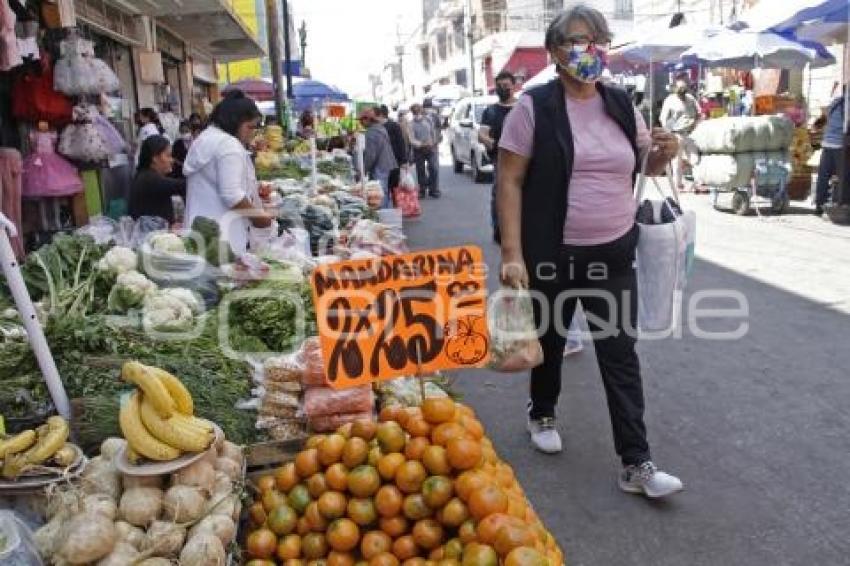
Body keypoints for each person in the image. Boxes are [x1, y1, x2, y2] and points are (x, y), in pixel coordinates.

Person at [496, 4, 683, 498]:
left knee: (620, 353)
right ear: (556, 51)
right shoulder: (533, 107)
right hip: (552, 251)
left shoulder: (621, 104)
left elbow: (648, 168)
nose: (589, 50)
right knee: (551, 343)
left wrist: (664, 151)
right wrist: (512, 251)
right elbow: (510, 181)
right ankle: (542, 411)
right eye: (577, 41)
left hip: (613, 253)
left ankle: (636, 463)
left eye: (596, 40)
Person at [183, 90, 272, 255]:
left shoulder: (206, 138)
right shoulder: (228, 145)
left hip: (201, 233)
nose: (252, 133)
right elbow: (231, 194)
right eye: (250, 127)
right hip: (222, 239)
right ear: (234, 121)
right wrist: (260, 219)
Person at [480, 71, 518, 244]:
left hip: (524, 158)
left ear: (513, 86)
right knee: (500, 194)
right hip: (501, 160)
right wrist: (495, 144)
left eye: (506, 86)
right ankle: (499, 229)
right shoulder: (491, 111)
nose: (503, 89)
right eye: (500, 86)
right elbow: (482, 134)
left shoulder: (523, 108)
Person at [128, 135, 186, 224]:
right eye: (168, 156)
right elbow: (180, 186)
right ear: (155, 158)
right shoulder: (148, 179)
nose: (172, 160)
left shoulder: (145, 175)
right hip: (150, 235)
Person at [659, 74, 699, 190]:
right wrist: (668, 133)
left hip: (690, 134)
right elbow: (663, 118)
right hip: (676, 134)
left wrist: (695, 123)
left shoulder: (691, 99)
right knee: (677, 161)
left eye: (684, 89)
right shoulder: (670, 100)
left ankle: (697, 183)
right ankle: (678, 185)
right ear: (675, 89)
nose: (682, 91)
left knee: (695, 159)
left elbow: (698, 113)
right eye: (680, 89)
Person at [815, 84, 847, 216]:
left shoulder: (835, 101)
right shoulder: (845, 104)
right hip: (839, 144)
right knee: (843, 176)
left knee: (823, 176)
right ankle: (841, 205)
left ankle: (819, 204)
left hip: (827, 143)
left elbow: (824, 118)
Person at [359, 107, 398, 208]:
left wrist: (364, 170)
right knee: (384, 191)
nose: (360, 123)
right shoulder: (380, 128)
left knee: (380, 193)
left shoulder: (371, 132)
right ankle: (386, 212)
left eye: (361, 120)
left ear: (368, 119)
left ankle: (383, 216)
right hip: (386, 164)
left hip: (380, 166)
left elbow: (371, 155)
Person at [376, 104, 410, 194]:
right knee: (385, 187)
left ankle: (395, 205)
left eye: (376, 115)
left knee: (394, 187)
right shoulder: (377, 127)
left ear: (381, 115)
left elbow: (401, 143)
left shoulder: (394, 126)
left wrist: (404, 161)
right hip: (382, 162)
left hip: (395, 161)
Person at [409, 103, 440, 198]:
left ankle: (433, 189)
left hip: (431, 148)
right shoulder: (411, 124)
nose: (417, 113)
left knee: (434, 168)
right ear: (413, 113)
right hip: (419, 150)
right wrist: (421, 144)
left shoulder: (428, 120)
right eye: (415, 111)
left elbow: (433, 132)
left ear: (421, 111)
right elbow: (411, 139)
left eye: (418, 110)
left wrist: (434, 143)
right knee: (420, 170)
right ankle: (422, 189)